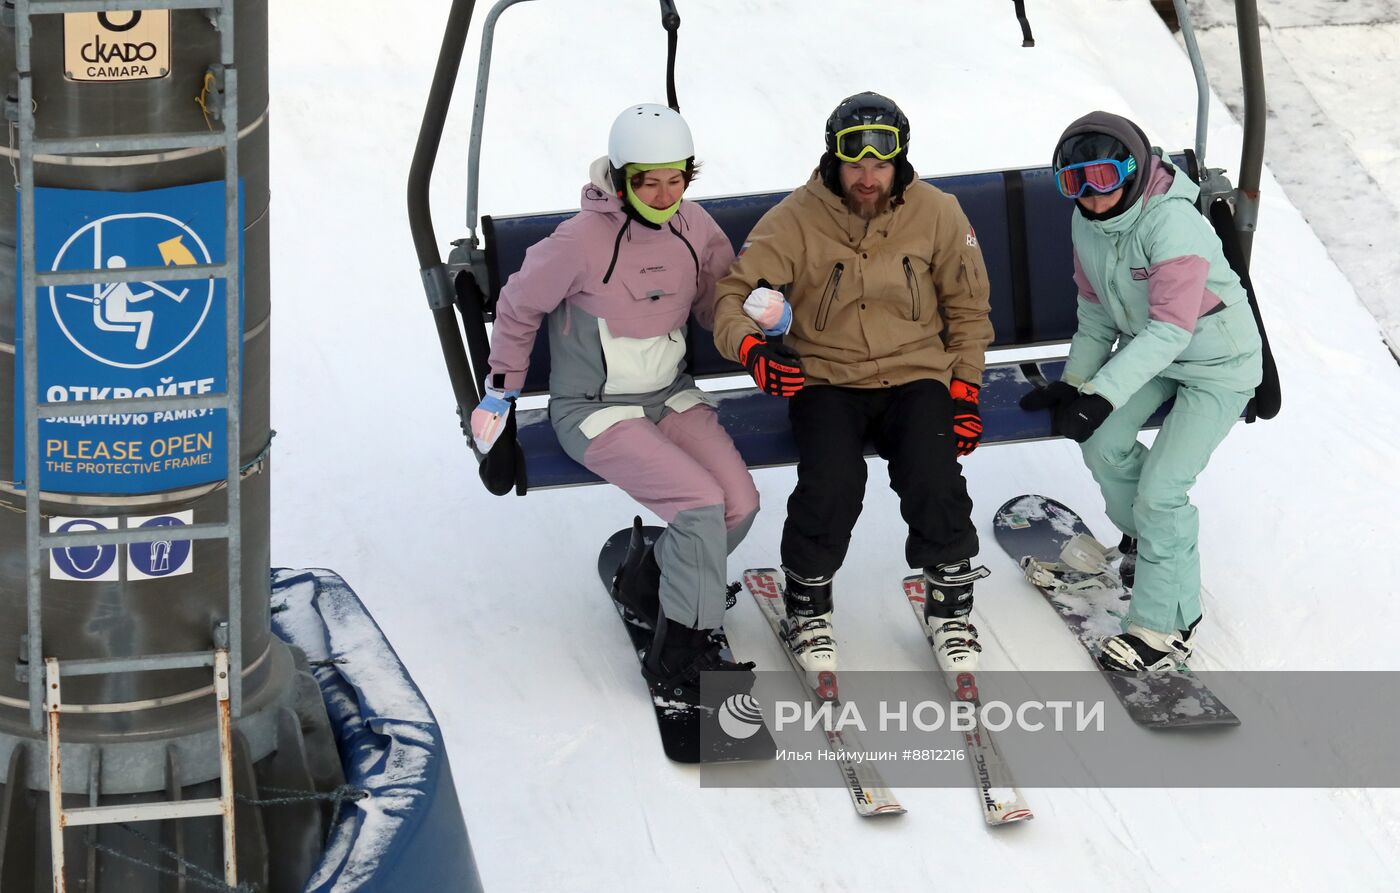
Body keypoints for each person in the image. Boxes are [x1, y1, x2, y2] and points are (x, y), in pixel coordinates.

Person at [470, 103, 760, 701]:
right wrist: (502, 392)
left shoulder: (695, 226)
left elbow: (715, 303)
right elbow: (520, 306)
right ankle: (682, 652)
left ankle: (650, 580)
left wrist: (756, 315)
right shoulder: (578, 241)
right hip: (593, 409)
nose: (662, 193)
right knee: (701, 505)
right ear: (620, 178)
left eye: (675, 179)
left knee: (739, 504)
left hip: (670, 395)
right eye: (646, 181)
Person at [711, 92, 995, 678]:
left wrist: (964, 390)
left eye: (881, 162)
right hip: (827, 376)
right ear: (833, 159)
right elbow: (733, 295)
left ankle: (950, 605)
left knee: (934, 472)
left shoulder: (938, 213)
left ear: (900, 161)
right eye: (854, 161)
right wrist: (751, 349)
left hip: (916, 372)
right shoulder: (796, 218)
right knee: (833, 480)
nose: (868, 176)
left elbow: (969, 310)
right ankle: (808, 605)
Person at [1022, 110, 1263, 671]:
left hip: (1217, 363)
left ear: (1132, 172)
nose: (1091, 195)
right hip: (1150, 353)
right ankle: (1149, 550)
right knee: (1102, 444)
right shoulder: (1086, 222)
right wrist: (1077, 384)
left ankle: (1166, 625)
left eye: (1102, 178)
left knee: (1161, 492)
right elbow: (1094, 311)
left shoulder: (1172, 224)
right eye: (1073, 182)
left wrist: (1102, 394)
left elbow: (1172, 329)